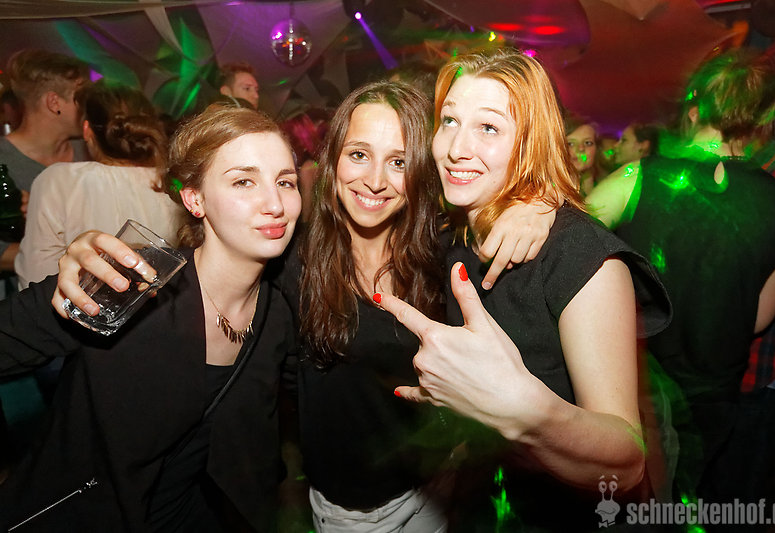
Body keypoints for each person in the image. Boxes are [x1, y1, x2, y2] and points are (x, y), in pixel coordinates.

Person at [49, 78, 557, 532]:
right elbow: (209, 270)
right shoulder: (289, 259)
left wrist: (538, 205)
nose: (375, 179)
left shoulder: (447, 256)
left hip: (435, 487)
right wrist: (89, 259)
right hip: (347, 509)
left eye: (399, 161)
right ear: (332, 160)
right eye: (359, 154)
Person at [378, 47, 671, 531]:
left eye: (489, 128)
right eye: (449, 121)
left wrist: (522, 410)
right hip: (490, 503)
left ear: (530, 143)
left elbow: (626, 463)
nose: (456, 147)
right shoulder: (456, 231)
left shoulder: (583, 259)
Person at [0, 106, 301, 532]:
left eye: (285, 182)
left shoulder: (277, 314)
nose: (275, 204)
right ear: (194, 199)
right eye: (243, 181)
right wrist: (71, 276)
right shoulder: (129, 283)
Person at [586, 48, 775, 504]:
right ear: (764, 115)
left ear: (694, 106)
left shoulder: (640, 176)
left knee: (629, 502)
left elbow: (564, 247)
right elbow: (760, 318)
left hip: (638, 386)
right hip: (714, 397)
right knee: (686, 499)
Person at [15, 81, 183, 289]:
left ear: (87, 131)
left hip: (83, 306)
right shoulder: (176, 185)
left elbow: (34, 280)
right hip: (161, 307)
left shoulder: (60, 181)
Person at [0, 49, 89, 274]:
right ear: (54, 102)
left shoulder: (91, 153)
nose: (90, 106)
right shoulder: (3, 160)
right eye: (82, 98)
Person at [565, 113, 601, 196]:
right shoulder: (547, 191)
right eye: (571, 144)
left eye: (587, 143)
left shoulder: (606, 187)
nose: (581, 149)